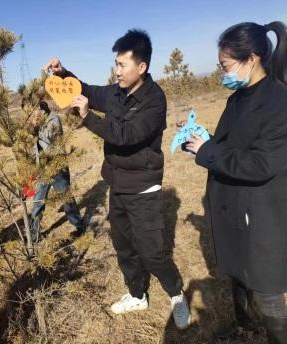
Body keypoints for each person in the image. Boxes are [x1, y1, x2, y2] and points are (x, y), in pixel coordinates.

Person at [45, 29, 191, 330]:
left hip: (144, 187)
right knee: (123, 245)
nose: (117, 70)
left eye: (122, 65)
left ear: (142, 67)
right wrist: (64, 75)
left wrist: (88, 118)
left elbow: (126, 136)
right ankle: (137, 294)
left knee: (152, 252)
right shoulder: (115, 92)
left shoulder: (154, 100)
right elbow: (85, 89)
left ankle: (176, 294)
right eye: (116, 64)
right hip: (118, 184)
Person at [186, 21, 287, 343]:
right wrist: (206, 142)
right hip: (235, 207)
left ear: (252, 59)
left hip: (260, 213)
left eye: (226, 66)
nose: (222, 73)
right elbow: (233, 144)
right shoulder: (238, 97)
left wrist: (209, 152)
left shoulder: (278, 102)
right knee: (238, 276)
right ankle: (245, 329)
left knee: (264, 285)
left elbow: (261, 163)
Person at [28, 99, 85, 242]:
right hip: (42, 167)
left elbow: (48, 138)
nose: (31, 114)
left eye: (33, 110)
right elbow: (33, 145)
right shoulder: (35, 121)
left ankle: (79, 227)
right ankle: (33, 235)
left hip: (57, 166)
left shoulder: (54, 119)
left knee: (67, 199)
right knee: (38, 202)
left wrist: (35, 127)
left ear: (41, 109)